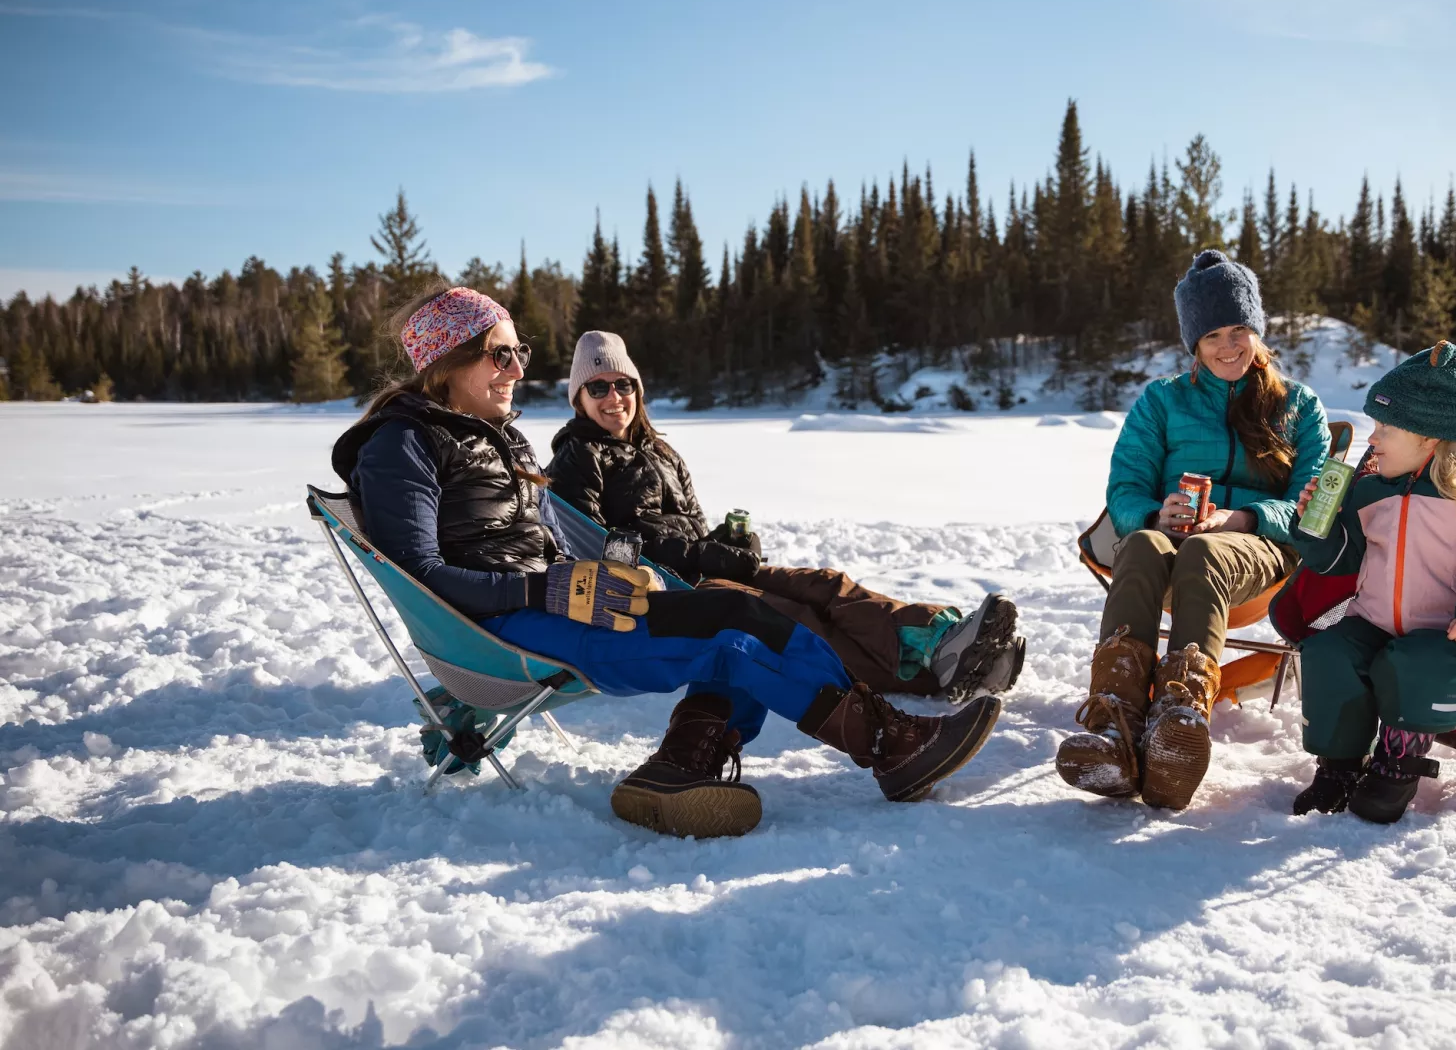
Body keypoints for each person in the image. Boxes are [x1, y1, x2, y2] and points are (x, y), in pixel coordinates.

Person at [332, 284, 1001, 840]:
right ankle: (885, 744)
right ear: (446, 360)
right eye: (498, 355)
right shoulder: (401, 445)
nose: (515, 370)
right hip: (503, 632)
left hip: (546, 605)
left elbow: (533, 545)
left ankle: (687, 764)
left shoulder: (497, 440)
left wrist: (599, 573)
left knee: (743, 610)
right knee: (729, 637)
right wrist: (546, 592)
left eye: (518, 353)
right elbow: (423, 577)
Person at [546, 331, 1024, 703]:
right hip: (660, 592)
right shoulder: (577, 455)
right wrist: (699, 555)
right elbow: (595, 545)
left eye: (623, 384)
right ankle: (928, 677)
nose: (614, 397)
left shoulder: (661, 451)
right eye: (599, 387)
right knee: (792, 617)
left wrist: (729, 546)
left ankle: (941, 639)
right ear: (580, 397)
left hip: (699, 569)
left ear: (638, 389)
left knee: (825, 584)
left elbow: (691, 525)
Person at [1055, 250, 1330, 810]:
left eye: (1239, 330)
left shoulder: (1299, 407)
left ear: (1256, 330)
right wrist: (1159, 514)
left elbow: (1316, 513)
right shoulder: (1161, 401)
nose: (1229, 347)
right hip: (1170, 547)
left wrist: (1244, 518)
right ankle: (1115, 722)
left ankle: (1180, 720)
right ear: (1193, 345)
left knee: (1205, 549)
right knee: (1140, 543)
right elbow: (1124, 493)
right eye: (1212, 337)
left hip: (1259, 556)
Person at [1288, 341, 1456, 824]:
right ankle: (1338, 766)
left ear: (1431, 437)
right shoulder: (1368, 489)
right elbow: (1340, 561)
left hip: (1447, 632)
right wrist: (1312, 526)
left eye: (1386, 428)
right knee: (1328, 654)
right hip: (1372, 621)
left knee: (1417, 661)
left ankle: (1397, 764)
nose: (1373, 440)